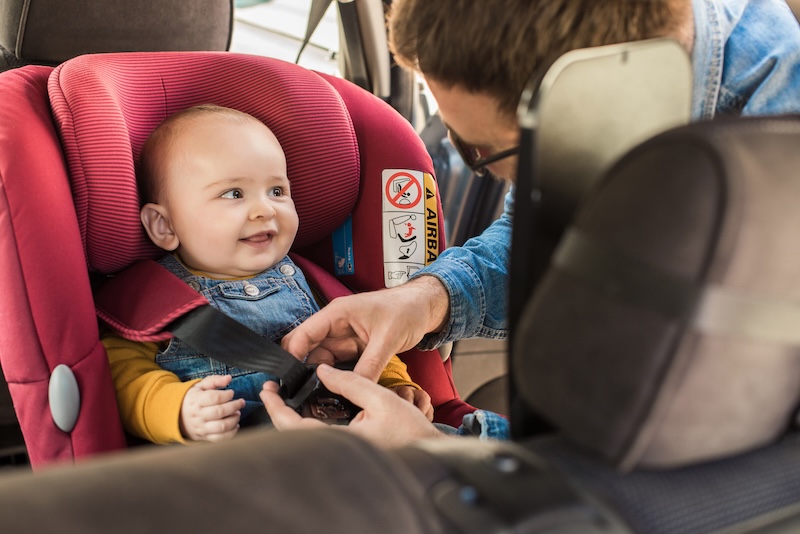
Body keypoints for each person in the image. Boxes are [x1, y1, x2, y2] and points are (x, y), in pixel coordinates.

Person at [263, 0, 800, 447]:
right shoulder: (603, 75)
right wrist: (428, 298)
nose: (467, 158)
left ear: (596, 102)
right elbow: (542, 228)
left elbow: (713, 461)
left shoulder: (779, 166)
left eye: (482, 149)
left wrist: (438, 451)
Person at [102, 104, 432, 444]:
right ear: (165, 225)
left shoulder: (313, 282)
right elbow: (123, 376)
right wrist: (180, 410)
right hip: (247, 460)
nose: (264, 209)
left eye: (277, 191)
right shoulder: (154, 301)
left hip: (350, 437)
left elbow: (364, 340)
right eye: (233, 194)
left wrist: (393, 384)